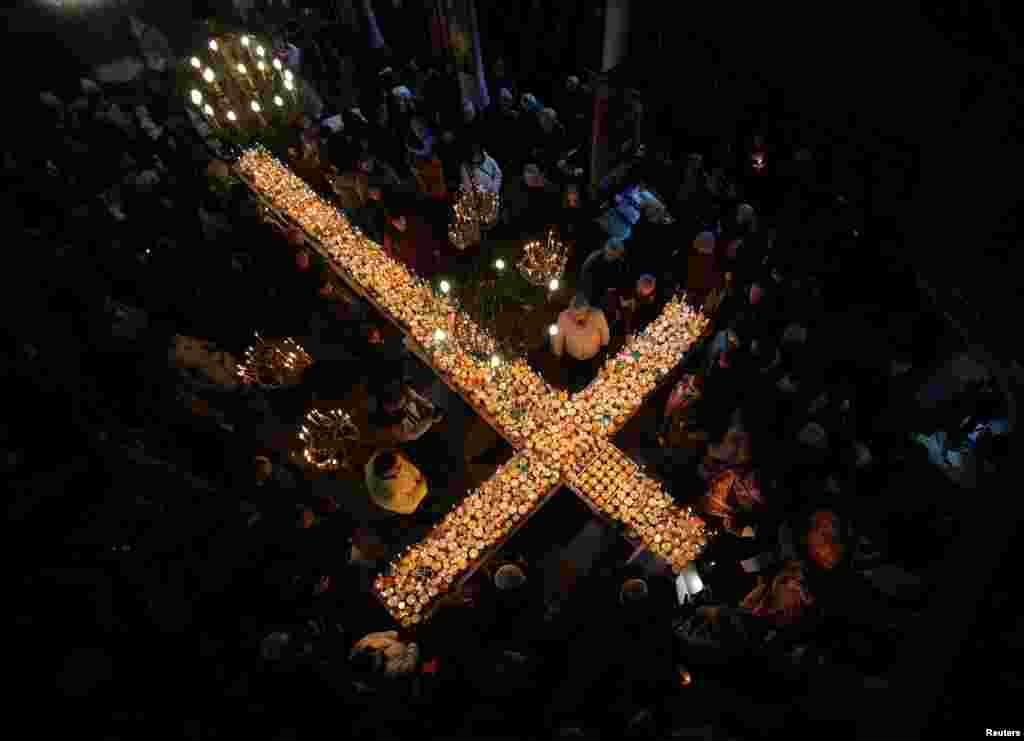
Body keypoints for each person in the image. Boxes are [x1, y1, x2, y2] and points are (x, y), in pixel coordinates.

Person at [551, 294, 610, 392]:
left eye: (581, 314)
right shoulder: (563, 317)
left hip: (592, 358)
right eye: (575, 315)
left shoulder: (597, 315)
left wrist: (603, 351)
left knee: (592, 381)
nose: (578, 318)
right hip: (572, 358)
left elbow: (605, 333)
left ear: (588, 310)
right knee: (572, 380)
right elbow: (558, 338)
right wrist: (558, 353)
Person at [369, 381, 445, 444]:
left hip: (398, 428)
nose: (427, 410)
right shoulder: (428, 406)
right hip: (397, 411)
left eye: (431, 415)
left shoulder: (425, 424)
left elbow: (409, 435)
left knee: (399, 404)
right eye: (431, 410)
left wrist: (400, 423)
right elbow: (414, 396)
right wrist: (408, 391)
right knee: (401, 400)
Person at [579, 239, 635, 322]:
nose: (612, 257)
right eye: (611, 254)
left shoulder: (618, 264)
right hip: (591, 296)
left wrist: (621, 299)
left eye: (615, 255)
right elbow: (587, 282)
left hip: (601, 298)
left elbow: (617, 283)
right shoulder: (594, 260)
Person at [364, 448, 428, 515]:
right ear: (389, 473)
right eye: (399, 467)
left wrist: (417, 474)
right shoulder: (390, 495)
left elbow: (405, 464)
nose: (403, 466)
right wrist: (424, 484)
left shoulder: (377, 458)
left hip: (417, 479)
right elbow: (412, 502)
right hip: (416, 500)